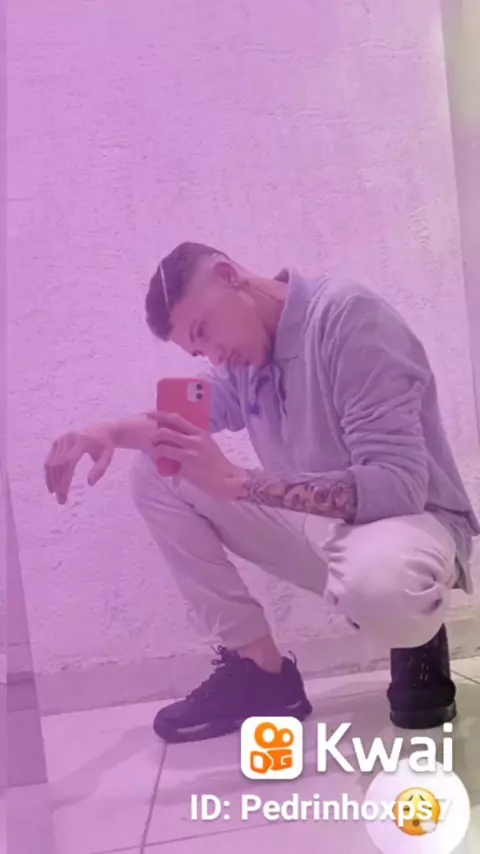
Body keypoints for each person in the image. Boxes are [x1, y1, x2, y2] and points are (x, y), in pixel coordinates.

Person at [44, 242, 479, 744]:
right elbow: (177, 424)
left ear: (229, 274)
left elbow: (397, 486)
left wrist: (241, 482)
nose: (213, 355)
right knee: (159, 472)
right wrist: (108, 432)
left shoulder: (350, 317)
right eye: (198, 351)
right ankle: (261, 673)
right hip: (334, 534)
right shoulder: (242, 365)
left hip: (412, 525)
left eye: (204, 331)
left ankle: (419, 629)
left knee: (384, 584)